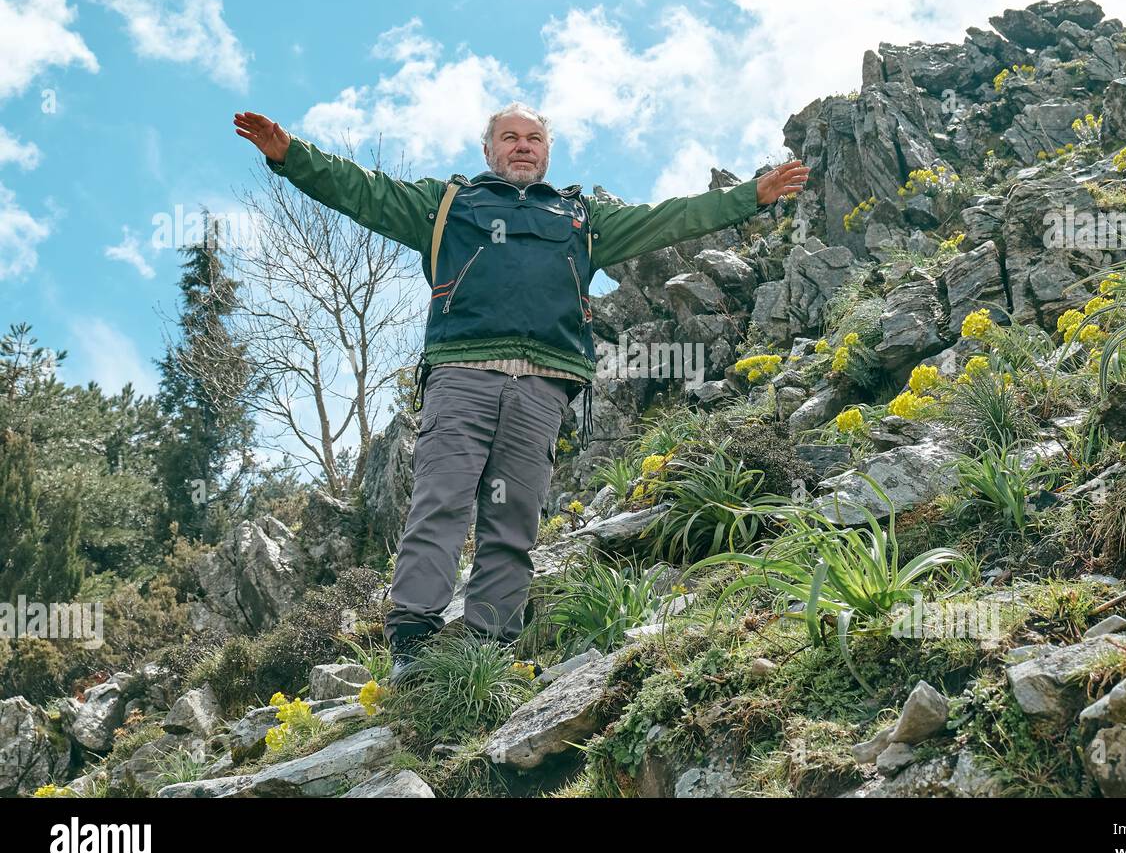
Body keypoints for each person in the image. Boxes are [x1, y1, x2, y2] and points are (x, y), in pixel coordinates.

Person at [233, 103, 809, 683]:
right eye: (509, 137)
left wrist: (749, 196)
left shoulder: (583, 218)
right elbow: (365, 191)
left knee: (514, 519)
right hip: (462, 375)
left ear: (547, 152)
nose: (523, 146)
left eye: (533, 138)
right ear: (489, 151)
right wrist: (293, 158)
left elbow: (669, 217)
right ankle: (412, 644)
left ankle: (488, 654)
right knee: (441, 503)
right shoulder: (449, 205)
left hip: (541, 388)